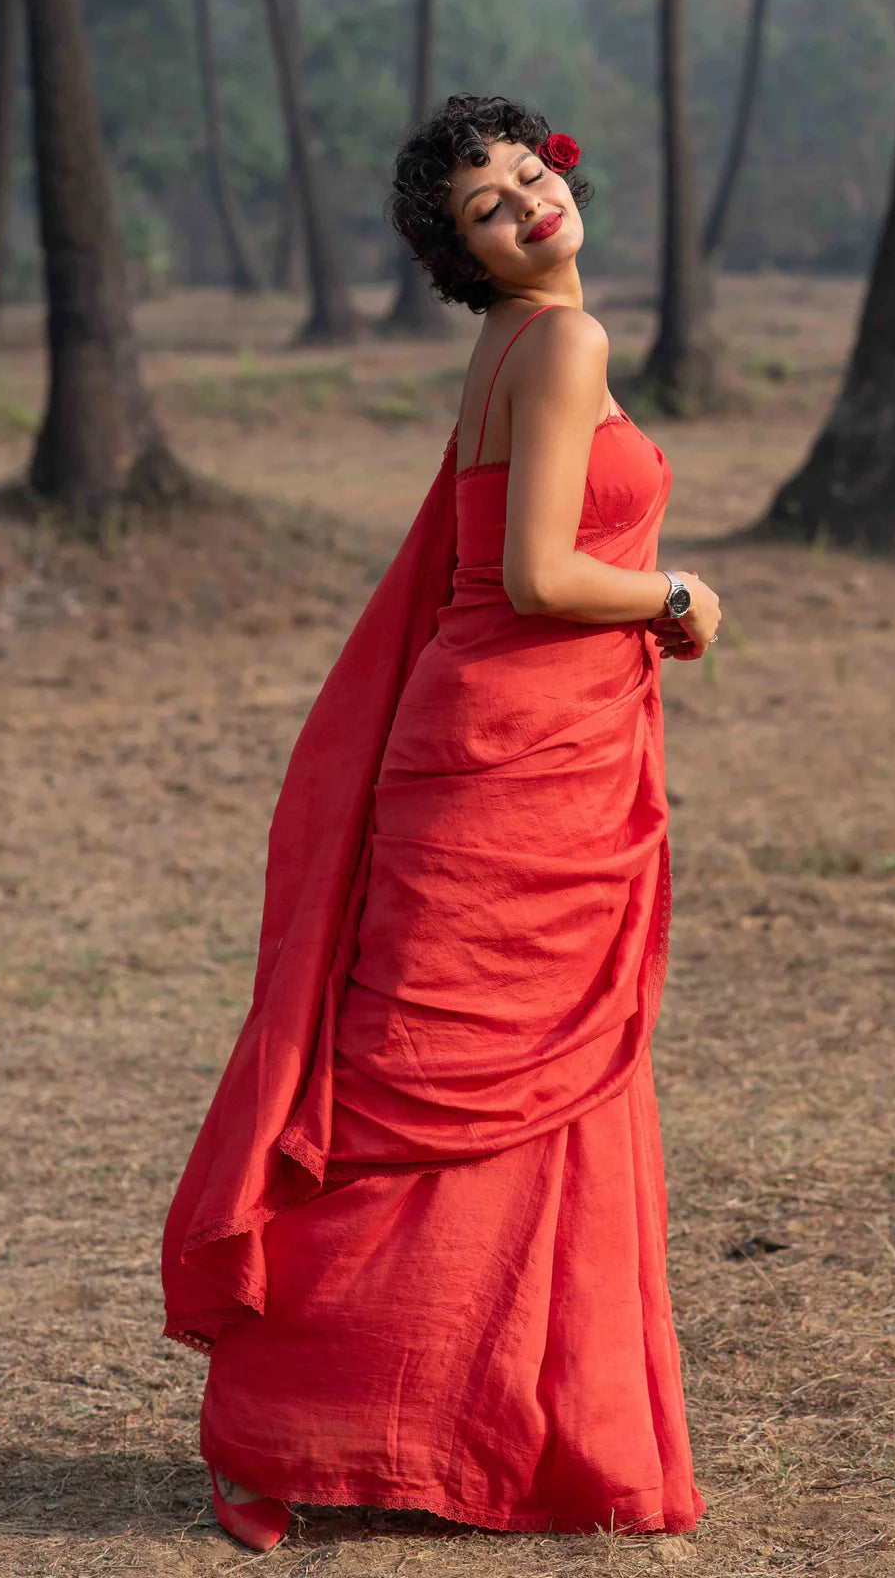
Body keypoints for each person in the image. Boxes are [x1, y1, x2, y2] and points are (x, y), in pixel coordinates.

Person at [161, 91, 721, 1551]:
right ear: (464, 256)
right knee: (446, 1092)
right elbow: (537, 574)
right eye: (491, 207)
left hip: (509, 746)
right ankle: (292, 1422)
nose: (530, 205)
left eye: (532, 176)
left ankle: (489, 1431)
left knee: (484, 1089)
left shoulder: (516, 346)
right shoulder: (564, 342)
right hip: (507, 755)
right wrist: (677, 598)